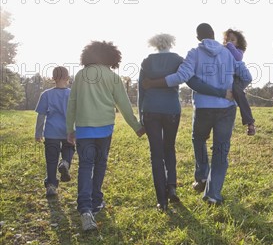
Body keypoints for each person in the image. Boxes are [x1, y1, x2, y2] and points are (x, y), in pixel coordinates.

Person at [144, 23, 251, 205]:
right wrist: (235, 90)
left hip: (203, 108)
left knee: (198, 139)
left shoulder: (194, 53)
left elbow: (181, 77)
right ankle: (212, 194)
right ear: (214, 35)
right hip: (226, 108)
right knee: (221, 149)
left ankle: (201, 176)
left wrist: (155, 83)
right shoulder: (227, 53)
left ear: (197, 38)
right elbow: (247, 77)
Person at [67, 41, 145, 232]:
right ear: (111, 57)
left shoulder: (81, 75)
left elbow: (72, 104)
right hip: (105, 129)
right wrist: (136, 127)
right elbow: (124, 106)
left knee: (85, 166)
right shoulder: (113, 77)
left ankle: (85, 208)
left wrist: (70, 128)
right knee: (100, 163)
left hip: (84, 129)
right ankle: (96, 201)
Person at [35, 66, 75, 197]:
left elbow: (41, 115)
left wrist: (38, 133)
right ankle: (65, 163)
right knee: (69, 148)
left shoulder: (46, 94)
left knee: (51, 159)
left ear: (53, 78)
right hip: (68, 131)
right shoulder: (72, 94)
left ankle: (51, 186)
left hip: (51, 132)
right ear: (67, 78)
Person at [222, 29, 256, 135]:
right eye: (228, 39)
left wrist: (229, 46)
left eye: (233, 40)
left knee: (237, 91)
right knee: (237, 95)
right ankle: (250, 123)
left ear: (238, 42)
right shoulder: (223, 49)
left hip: (238, 78)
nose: (230, 42)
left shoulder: (238, 51)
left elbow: (238, 57)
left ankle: (250, 122)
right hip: (228, 77)